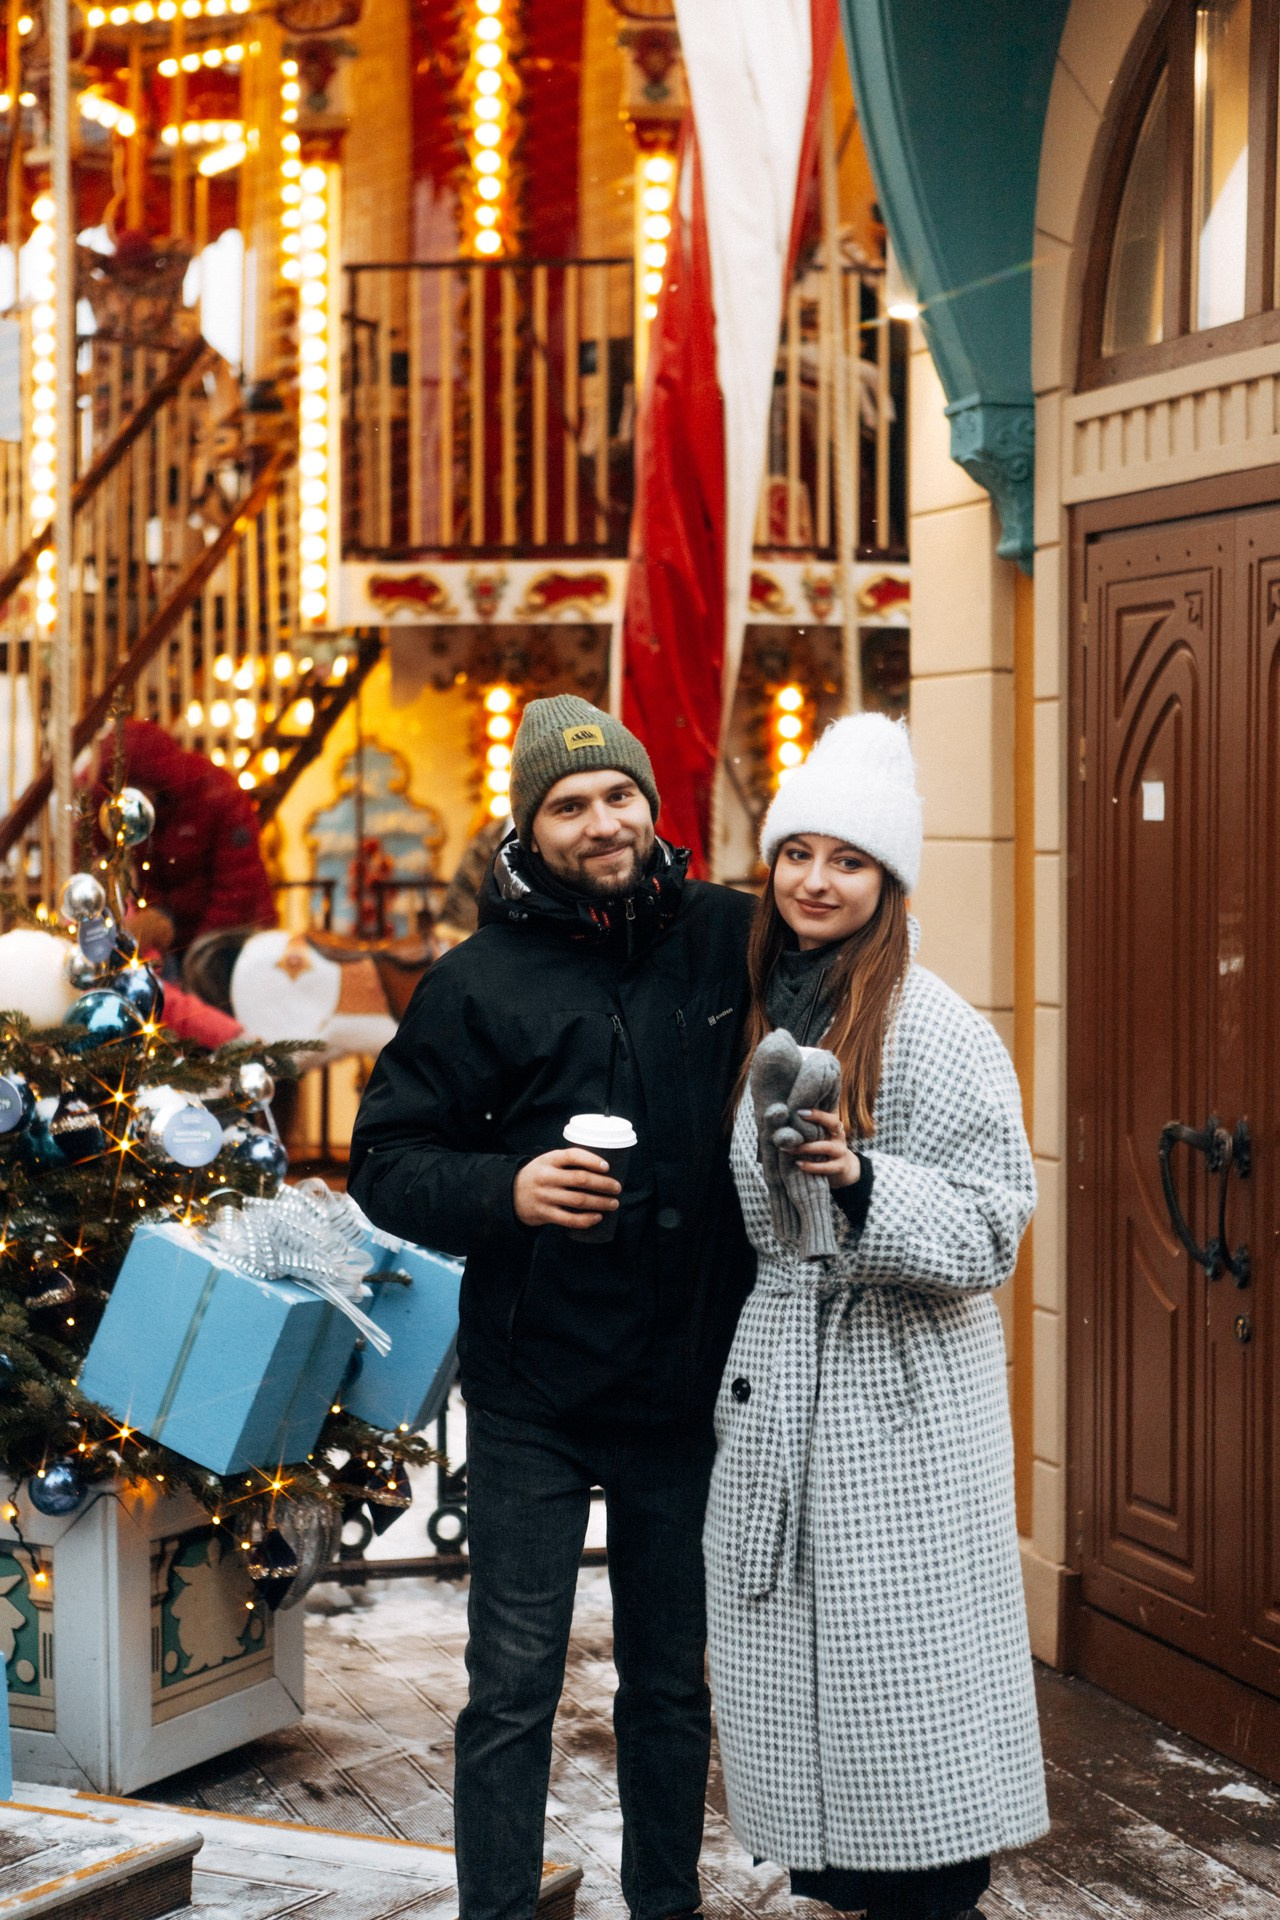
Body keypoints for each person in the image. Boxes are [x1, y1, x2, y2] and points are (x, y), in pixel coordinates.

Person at [348, 695, 756, 1920]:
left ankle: (665, 1905)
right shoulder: (477, 981)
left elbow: (854, 977)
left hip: (683, 1380)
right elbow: (384, 1158)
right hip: (533, 1388)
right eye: (568, 805)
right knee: (513, 1680)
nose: (600, 821)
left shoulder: (730, 938)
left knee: (670, 1684)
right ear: (529, 828)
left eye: (617, 795)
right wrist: (506, 1187)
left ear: (648, 804)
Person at [704, 713, 1047, 1920]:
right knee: (809, 1710)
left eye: (846, 861)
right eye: (797, 853)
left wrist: (861, 1184)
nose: (815, 880)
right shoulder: (753, 1002)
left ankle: (934, 1892)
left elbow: (993, 1227)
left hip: (897, 1403)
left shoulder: (936, 1025)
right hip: (780, 1384)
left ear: (885, 882)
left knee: (909, 1707)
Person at [91, 721, 277, 954]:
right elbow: (90, 853)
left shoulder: (217, 796)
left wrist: (200, 953)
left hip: (235, 934)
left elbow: (236, 891)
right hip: (167, 930)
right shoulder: (115, 802)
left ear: (157, 782)